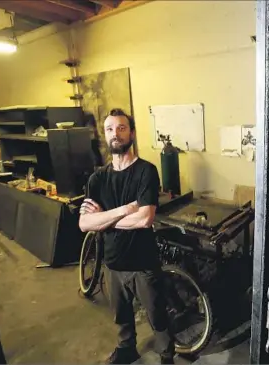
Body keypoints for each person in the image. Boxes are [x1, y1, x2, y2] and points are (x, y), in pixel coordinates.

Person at [79, 108, 174, 364]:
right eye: (109, 129)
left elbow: (145, 218)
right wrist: (122, 211)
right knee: (121, 315)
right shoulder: (98, 178)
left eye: (121, 128)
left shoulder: (146, 171)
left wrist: (104, 220)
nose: (115, 134)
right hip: (113, 264)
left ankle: (166, 353)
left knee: (157, 315)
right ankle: (126, 348)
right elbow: (85, 223)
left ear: (131, 133)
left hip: (143, 263)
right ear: (105, 135)